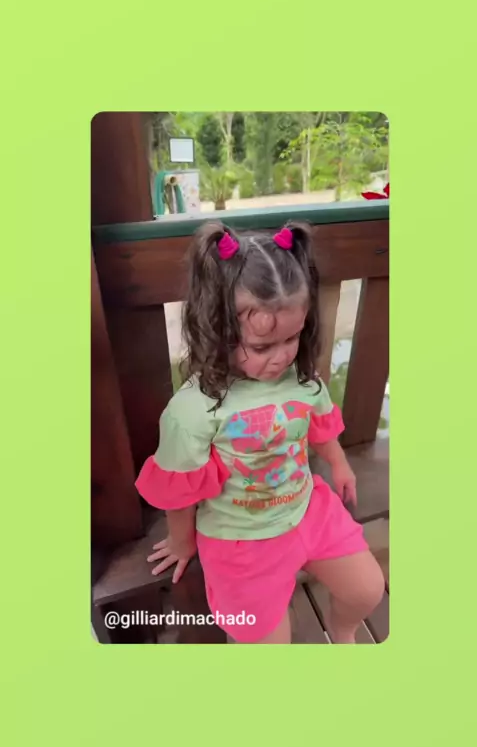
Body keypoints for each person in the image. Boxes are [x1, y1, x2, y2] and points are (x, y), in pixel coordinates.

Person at [135, 222, 385, 643]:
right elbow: (181, 491)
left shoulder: (301, 379)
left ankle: (343, 635)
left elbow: (319, 424)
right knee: (267, 643)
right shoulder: (194, 409)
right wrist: (182, 542)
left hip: (308, 510)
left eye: (292, 338)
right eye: (263, 347)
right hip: (241, 539)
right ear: (217, 329)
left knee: (367, 590)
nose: (282, 357)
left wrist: (339, 464)